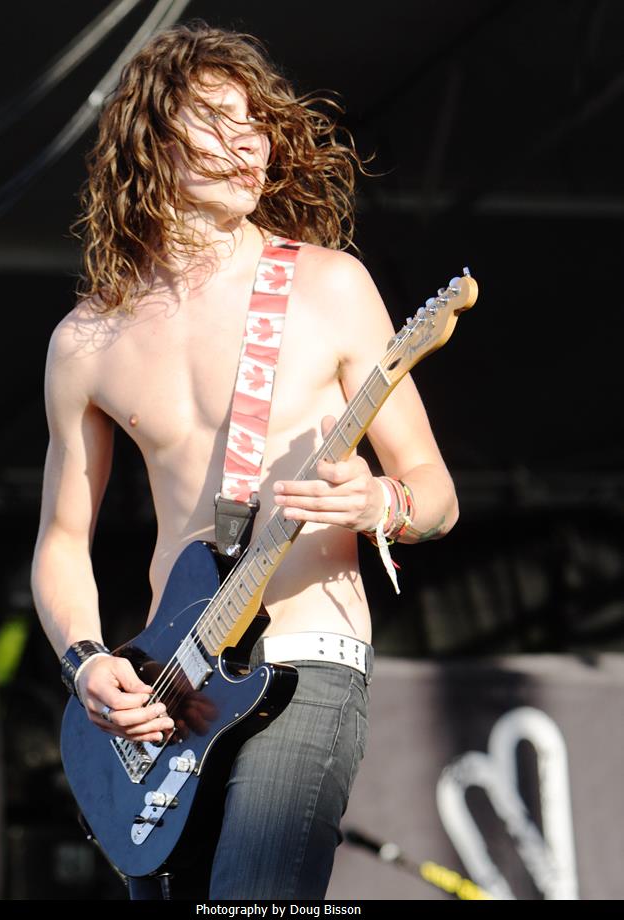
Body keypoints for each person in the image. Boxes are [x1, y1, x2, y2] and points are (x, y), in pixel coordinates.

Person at [30, 21, 459, 901]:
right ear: (151, 139)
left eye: (257, 123)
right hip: (170, 684)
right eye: (217, 120)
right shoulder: (85, 340)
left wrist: (376, 503)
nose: (248, 143)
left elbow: (435, 493)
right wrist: (87, 662)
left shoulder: (328, 285)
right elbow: (63, 541)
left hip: (305, 654)